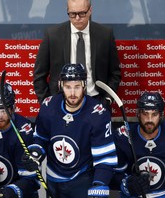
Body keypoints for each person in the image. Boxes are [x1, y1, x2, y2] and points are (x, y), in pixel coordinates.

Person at [23, 63, 118, 198]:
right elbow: (41, 138)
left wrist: (99, 183)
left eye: (77, 87)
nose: (72, 93)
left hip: (82, 179)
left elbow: (105, 157)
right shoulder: (48, 106)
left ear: (84, 85)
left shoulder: (98, 114)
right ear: (61, 85)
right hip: (53, 179)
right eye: (68, 87)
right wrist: (35, 153)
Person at [34, 0, 121, 109]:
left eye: (82, 13)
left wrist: (107, 100)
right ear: (67, 11)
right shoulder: (53, 35)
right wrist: (48, 103)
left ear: (90, 10)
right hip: (61, 102)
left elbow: (115, 73)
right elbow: (39, 75)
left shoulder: (105, 35)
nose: (77, 18)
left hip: (96, 101)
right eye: (72, 14)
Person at [110, 91, 165, 197]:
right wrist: (126, 184)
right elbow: (112, 173)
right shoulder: (122, 136)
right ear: (138, 114)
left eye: (154, 114)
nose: (149, 120)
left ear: (161, 115)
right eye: (145, 114)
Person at [0, 83, 39, 198]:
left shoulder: (25, 130)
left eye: (4, 111)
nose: (0, 116)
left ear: (12, 108)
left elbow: (32, 179)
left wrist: (12, 191)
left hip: (13, 190)